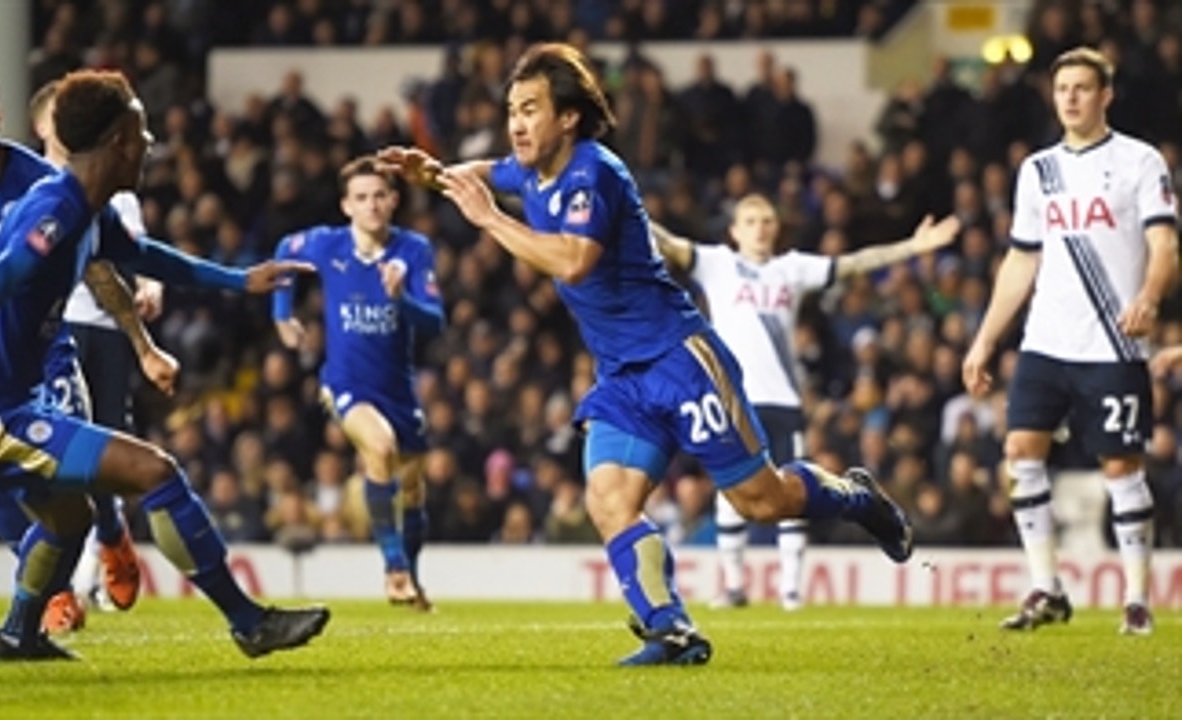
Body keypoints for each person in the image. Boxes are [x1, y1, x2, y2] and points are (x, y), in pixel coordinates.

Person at [379, 42, 913, 666]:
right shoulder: (529, 172)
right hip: (623, 376)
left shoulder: (595, 172)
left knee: (759, 501)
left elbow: (575, 261)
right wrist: (433, 171)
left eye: (530, 109)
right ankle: (672, 629)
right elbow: (481, 173)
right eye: (511, 111)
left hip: (680, 358)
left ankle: (856, 498)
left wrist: (492, 222)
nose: (517, 124)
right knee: (607, 499)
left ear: (569, 117)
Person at [0, 69, 328, 661]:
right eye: (142, 129)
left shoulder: (86, 207)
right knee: (154, 471)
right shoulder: (55, 208)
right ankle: (248, 622)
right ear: (117, 141)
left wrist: (240, 280)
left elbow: (147, 256)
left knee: (69, 521)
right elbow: (5, 269)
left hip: (8, 398)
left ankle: (16, 634)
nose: (152, 141)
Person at [0, 66, 173, 634]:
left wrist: (142, 343)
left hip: (41, 348)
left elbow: (97, 264)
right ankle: (47, 589)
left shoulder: (35, 179)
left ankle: (109, 531)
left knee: (75, 449)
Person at [651, 195, 960, 610]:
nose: (760, 227)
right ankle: (735, 585)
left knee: (790, 489)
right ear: (734, 230)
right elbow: (669, 243)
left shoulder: (791, 269)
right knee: (730, 489)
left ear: (776, 228)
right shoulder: (716, 263)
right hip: (735, 399)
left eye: (767, 220)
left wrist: (911, 248)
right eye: (751, 221)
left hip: (784, 400)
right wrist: (623, 201)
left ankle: (791, 591)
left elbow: (852, 264)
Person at [962, 47, 1177, 636]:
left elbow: (1165, 246)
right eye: (1063, 90)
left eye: (1084, 88)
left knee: (1121, 469)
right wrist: (984, 341)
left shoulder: (1140, 162)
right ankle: (1047, 588)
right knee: (1020, 455)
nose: (1072, 98)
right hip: (1045, 342)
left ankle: (1136, 598)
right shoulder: (1038, 170)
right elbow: (1020, 261)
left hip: (1112, 344)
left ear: (1106, 95)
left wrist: (1151, 297)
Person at [272, 157, 445, 610]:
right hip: (346, 384)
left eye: (379, 196)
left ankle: (412, 578)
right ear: (346, 205)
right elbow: (284, 251)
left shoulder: (413, 251)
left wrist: (400, 299)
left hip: (399, 390)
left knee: (411, 490)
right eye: (362, 197)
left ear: (394, 200)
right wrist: (282, 315)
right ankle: (394, 569)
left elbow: (435, 322)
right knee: (380, 449)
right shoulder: (327, 245)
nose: (371, 205)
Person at [29, 79, 164, 622]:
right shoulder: (26, 184)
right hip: (48, 332)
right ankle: (61, 590)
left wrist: (151, 287)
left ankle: (108, 537)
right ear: (44, 127)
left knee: (102, 460)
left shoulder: (120, 192)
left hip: (106, 332)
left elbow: (136, 255)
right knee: (50, 460)